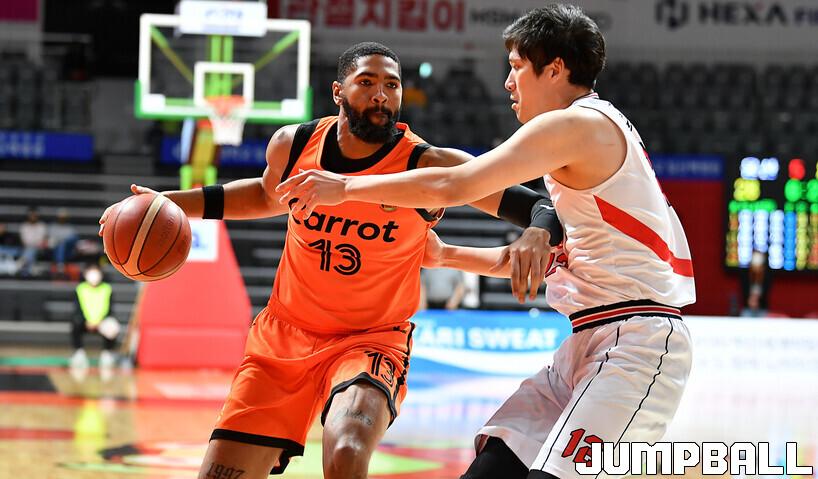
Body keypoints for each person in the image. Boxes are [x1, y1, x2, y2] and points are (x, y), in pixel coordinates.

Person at [99, 42, 564, 479]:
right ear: (338, 91)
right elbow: (264, 196)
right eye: (367, 82)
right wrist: (170, 202)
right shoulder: (296, 145)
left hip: (370, 341)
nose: (381, 95)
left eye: (392, 85)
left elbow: (540, 207)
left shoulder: (427, 167)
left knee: (346, 450)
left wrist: (537, 232)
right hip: (283, 338)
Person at [277, 6, 696, 479]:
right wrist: (446, 255)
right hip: (590, 341)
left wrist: (347, 187)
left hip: (636, 347)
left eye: (517, 67)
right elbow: (534, 262)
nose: (508, 83)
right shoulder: (586, 142)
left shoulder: (575, 125)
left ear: (555, 69)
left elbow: (453, 184)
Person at [71, 263, 119, 371]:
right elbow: (77, 309)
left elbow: (109, 309)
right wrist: (86, 321)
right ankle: (79, 352)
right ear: (85, 274)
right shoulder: (80, 288)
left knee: (112, 326)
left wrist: (100, 321)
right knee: (75, 322)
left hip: (101, 322)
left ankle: (107, 353)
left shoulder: (107, 288)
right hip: (85, 322)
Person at [739, 250, 771, 317]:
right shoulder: (746, 275)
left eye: (759, 263)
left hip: (762, 308)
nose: (757, 266)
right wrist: (750, 300)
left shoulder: (766, 276)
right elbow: (743, 290)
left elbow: (767, 291)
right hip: (747, 308)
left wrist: (758, 300)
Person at [48, 208, 79, 276]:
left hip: (68, 251)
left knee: (64, 243)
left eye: (63, 217)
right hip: (55, 251)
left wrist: (63, 241)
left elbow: (74, 241)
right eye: (61, 217)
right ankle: (60, 265)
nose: (62, 219)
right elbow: (50, 242)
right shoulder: (53, 227)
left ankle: (60, 265)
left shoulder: (70, 228)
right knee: (61, 245)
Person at [18, 207, 47, 277]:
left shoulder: (42, 226)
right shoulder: (24, 226)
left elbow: (42, 241)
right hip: (27, 249)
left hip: (39, 250)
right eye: (31, 215)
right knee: (30, 250)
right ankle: (29, 269)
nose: (33, 217)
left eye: (35, 215)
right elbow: (24, 242)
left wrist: (34, 244)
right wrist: (34, 243)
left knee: (31, 250)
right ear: (28, 216)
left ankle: (22, 264)